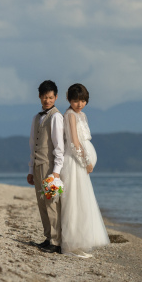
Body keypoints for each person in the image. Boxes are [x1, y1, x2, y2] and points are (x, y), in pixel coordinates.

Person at [60, 83, 110, 257]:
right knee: (74, 201)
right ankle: (70, 245)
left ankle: (80, 242)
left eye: (82, 100)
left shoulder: (82, 115)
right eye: (75, 101)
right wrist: (86, 161)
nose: (79, 104)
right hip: (74, 161)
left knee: (82, 200)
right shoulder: (70, 115)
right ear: (69, 99)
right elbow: (74, 141)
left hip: (80, 162)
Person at [26, 80, 64, 254]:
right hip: (37, 165)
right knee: (42, 203)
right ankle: (48, 237)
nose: (47, 100)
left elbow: (58, 147)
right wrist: (30, 170)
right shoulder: (36, 117)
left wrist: (56, 172)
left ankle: (56, 241)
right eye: (44, 97)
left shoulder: (56, 117)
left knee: (52, 203)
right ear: (40, 97)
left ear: (55, 97)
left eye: (50, 97)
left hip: (50, 167)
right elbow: (32, 144)